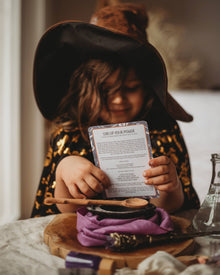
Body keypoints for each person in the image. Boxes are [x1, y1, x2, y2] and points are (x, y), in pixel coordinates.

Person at [31, 3, 200, 218]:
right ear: (84, 89)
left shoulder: (164, 129)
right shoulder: (70, 131)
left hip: (146, 235)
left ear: (147, 88)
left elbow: (175, 210)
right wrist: (64, 169)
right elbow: (62, 212)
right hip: (83, 238)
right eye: (105, 90)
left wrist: (171, 185)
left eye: (131, 88)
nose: (119, 99)